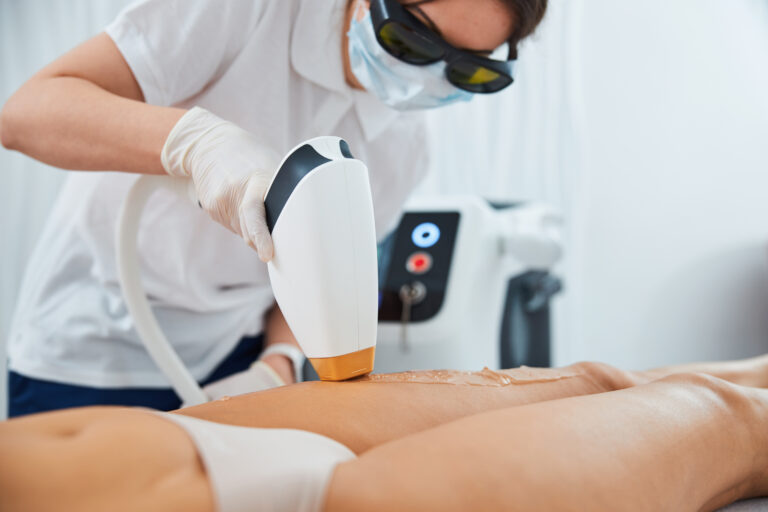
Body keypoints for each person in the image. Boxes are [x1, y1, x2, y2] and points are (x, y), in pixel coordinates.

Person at [0, 0, 547, 416]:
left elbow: (313, 275)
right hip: (92, 343)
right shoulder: (248, 12)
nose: (425, 78)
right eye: (412, 42)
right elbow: (27, 113)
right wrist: (193, 141)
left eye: (467, 71)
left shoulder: (405, 150)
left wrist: (277, 362)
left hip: (235, 356)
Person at [2, 355, 768, 511]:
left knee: (594, 380)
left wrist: (276, 354)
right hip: (342, 506)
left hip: (179, 434)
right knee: (723, 421)